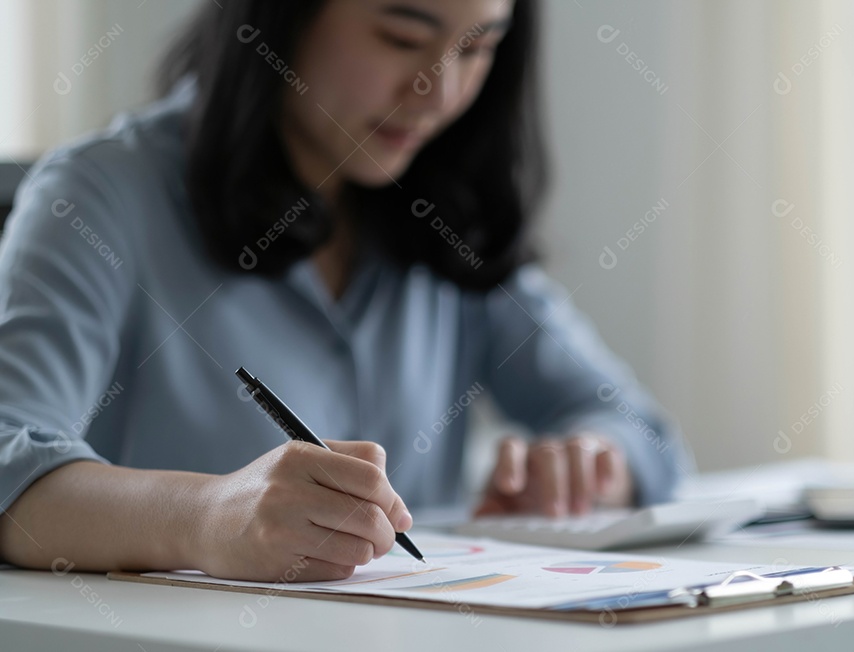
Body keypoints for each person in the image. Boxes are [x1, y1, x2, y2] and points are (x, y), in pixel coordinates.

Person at [0, 0, 688, 582]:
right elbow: (9, 463)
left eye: (478, 49)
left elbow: (643, 432)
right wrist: (210, 516)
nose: (441, 92)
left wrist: (591, 464)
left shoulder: (443, 211)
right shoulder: (100, 197)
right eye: (403, 38)